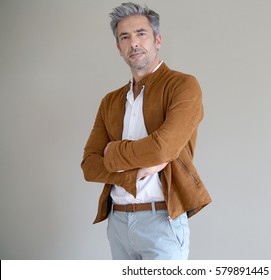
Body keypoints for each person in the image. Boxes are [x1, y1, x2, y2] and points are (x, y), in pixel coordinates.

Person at [81, 2, 211, 260]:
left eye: (141, 34)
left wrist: (113, 152)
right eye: (125, 37)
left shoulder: (183, 85)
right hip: (117, 222)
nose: (134, 43)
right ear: (118, 47)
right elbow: (89, 166)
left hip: (162, 220)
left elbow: (163, 148)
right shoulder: (110, 101)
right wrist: (138, 171)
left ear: (157, 39)